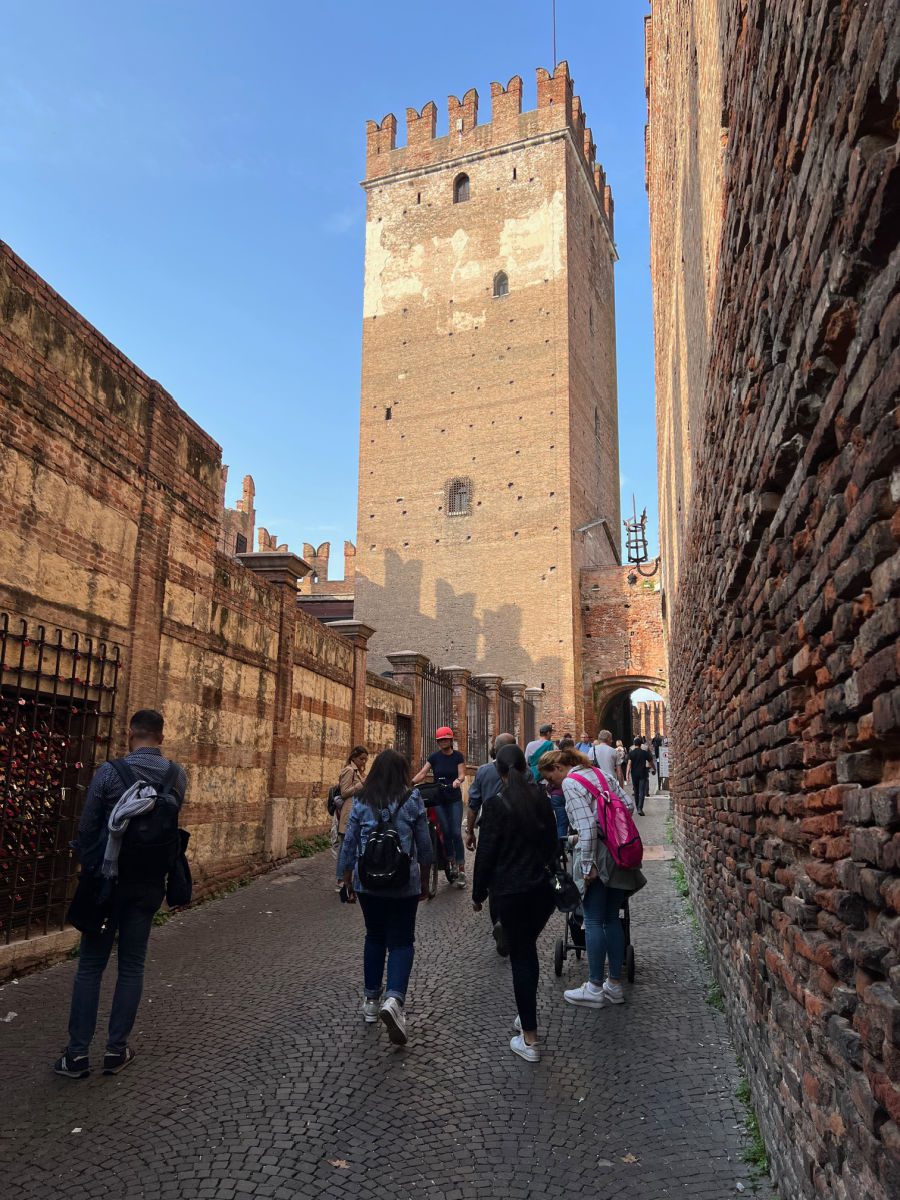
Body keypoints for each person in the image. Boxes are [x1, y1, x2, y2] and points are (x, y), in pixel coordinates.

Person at [54, 709, 187, 1079]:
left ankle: (77, 1055)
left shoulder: (110, 772)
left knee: (90, 966)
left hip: (105, 885)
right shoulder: (177, 776)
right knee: (132, 966)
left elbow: (87, 827)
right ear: (160, 737)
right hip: (147, 886)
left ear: (130, 733)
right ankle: (116, 1050)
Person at [337, 749, 432, 1046]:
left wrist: (346, 878)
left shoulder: (363, 799)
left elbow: (349, 842)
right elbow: (425, 845)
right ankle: (394, 1000)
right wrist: (425, 882)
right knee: (402, 941)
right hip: (405, 883)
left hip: (369, 884)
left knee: (374, 937)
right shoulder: (412, 798)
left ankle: (369, 1002)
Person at [538, 747, 645, 1010]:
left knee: (594, 920)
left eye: (550, 778)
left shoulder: (572, 783)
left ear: (559, 768)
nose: (552, 785)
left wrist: (587, 867)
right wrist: (604, 829)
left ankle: (595, 987)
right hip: (618, 852)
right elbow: (627, 806)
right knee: (612, 919)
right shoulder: (601, 774)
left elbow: (586, 829)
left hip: (598, 858)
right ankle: (614, 986)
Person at [472, 745, 558, 1063]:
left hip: (510, 893)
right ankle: (525, 1016)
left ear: (499, 772)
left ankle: (530, 1040)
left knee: (522, 957)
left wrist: (478, 894)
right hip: (541, 893)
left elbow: (486, 853)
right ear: (525, 767)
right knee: (528, 951)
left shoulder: (495, 806)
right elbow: (552, 844)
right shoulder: (541, 799)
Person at [465, 732, 516, 955]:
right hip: (517, 831)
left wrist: (469, 831)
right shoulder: (523, 772)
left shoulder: (484, 771)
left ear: (495, 749)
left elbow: (473, 803)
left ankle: (497, 919)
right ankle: (511, 920)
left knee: (492, 874)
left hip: (490, 829)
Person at [412, 727, 467, 889]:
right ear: (438, 742)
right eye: (440, 740)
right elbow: (423, 772)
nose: (443, 742)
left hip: (454, 799)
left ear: (451, 740)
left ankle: (462, 867)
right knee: (446, 831)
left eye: (446, 739)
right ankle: (451, 861)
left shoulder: (458, 756)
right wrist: (411, 783)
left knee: (456, 832)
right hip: (439, 799)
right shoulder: (434, 757)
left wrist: (458, 780)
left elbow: (462, 774)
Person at [626, 736, 655, 815]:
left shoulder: (631, 753)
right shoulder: (644, 753)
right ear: (641, 744)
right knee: (642, 791)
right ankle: (640, 808)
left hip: (634, 774)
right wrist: (654, 769)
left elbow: (629, 764)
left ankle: (637, 806)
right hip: (643, 773)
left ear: (634, 744)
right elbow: (651, 762)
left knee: (636, 791)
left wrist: (627, 774)